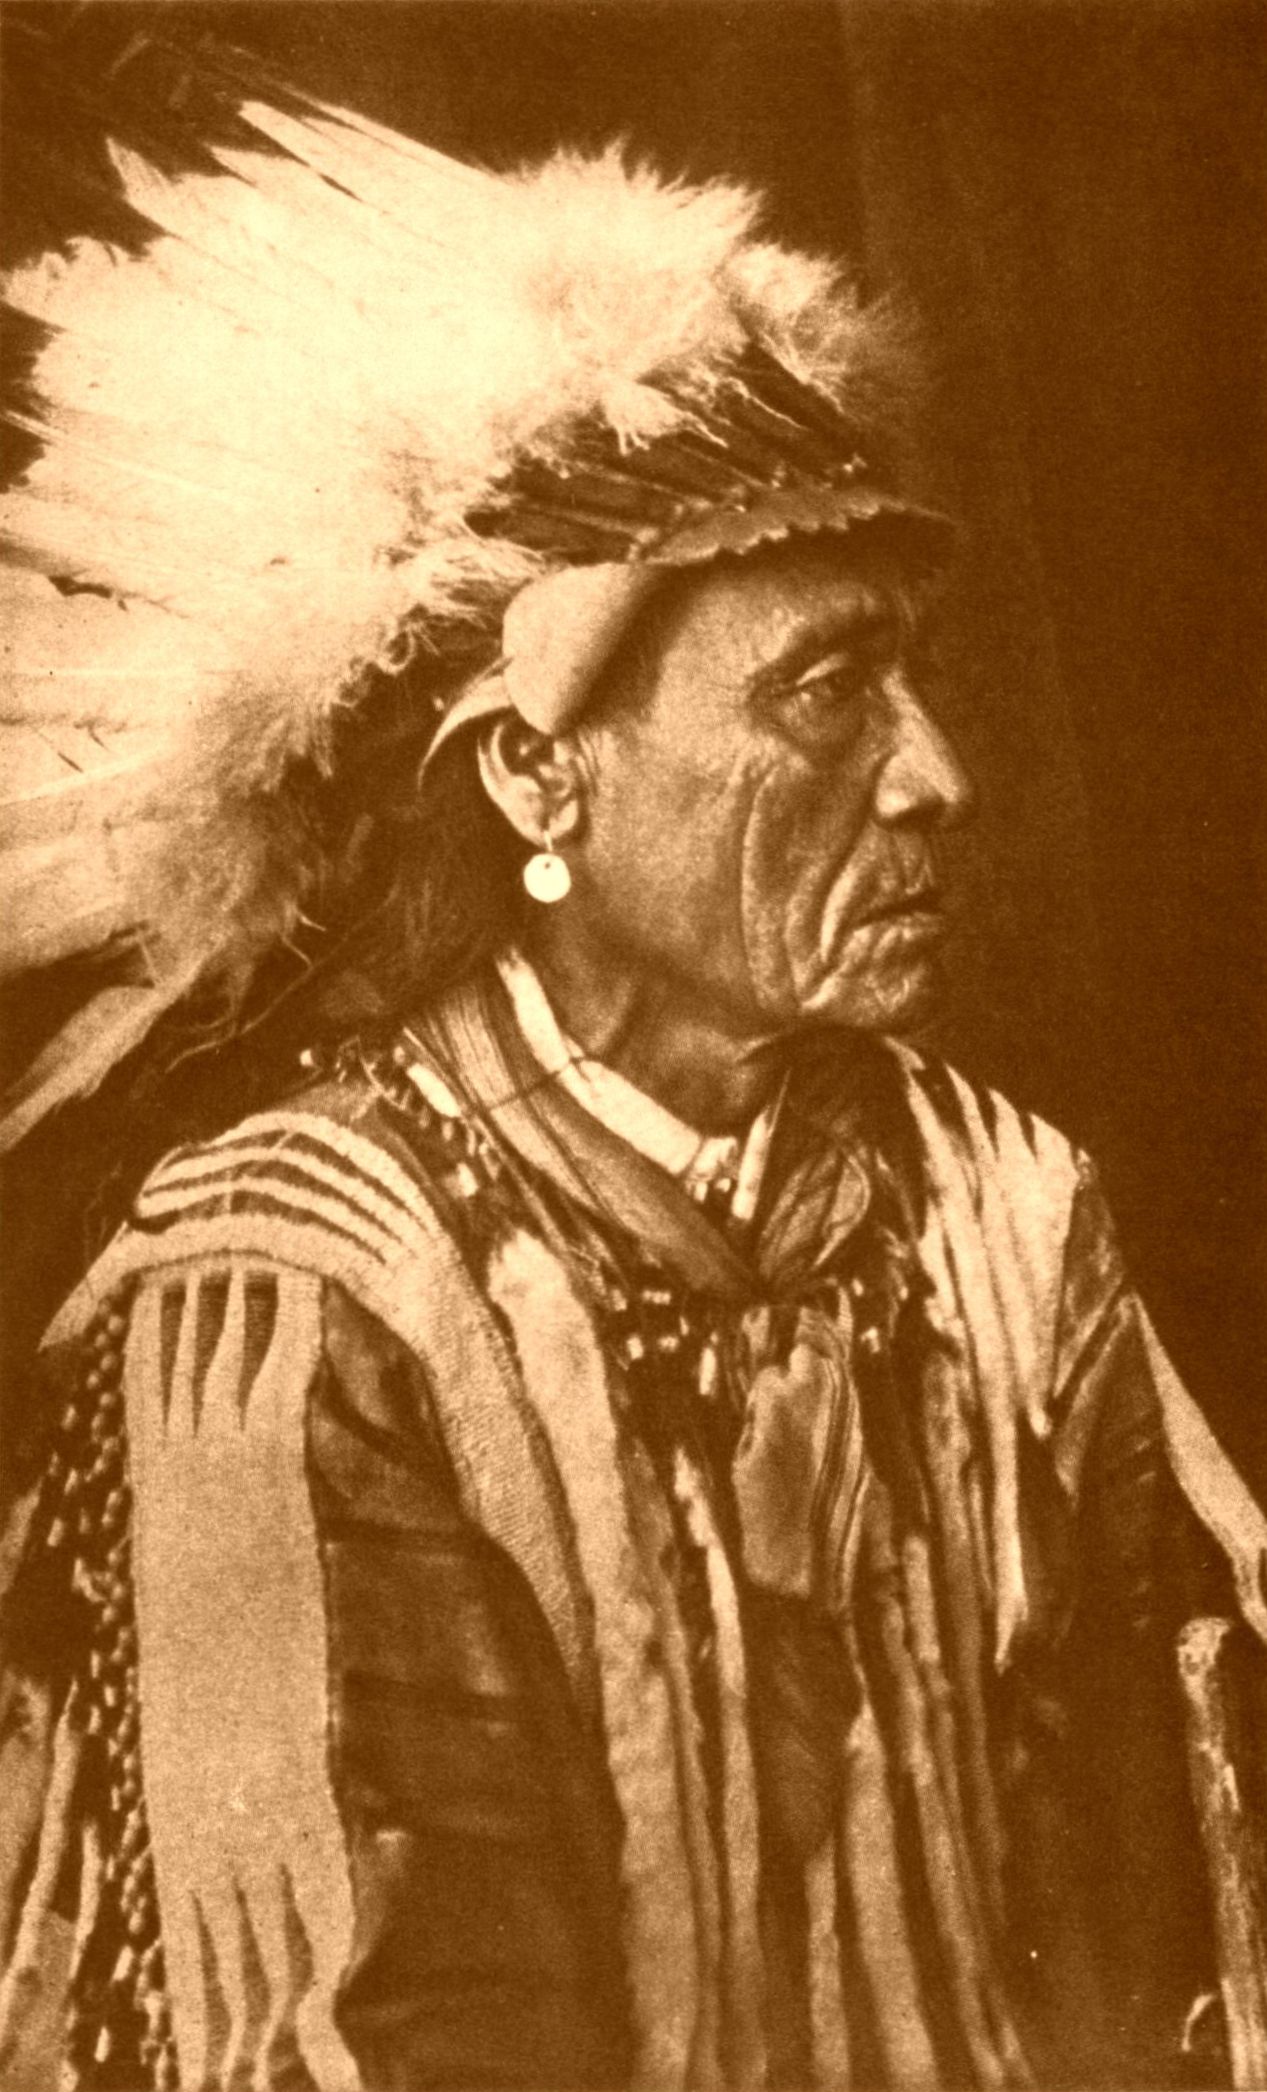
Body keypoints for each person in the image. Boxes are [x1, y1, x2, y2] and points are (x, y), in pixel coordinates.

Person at [0, 76, 1264, 2092]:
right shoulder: (299, 1289)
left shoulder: (1008, 1210)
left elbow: (1159, 1937)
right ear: (538, 772)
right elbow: (366, 2031)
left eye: (912, 678)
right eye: (825, 693)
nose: (936, 778)